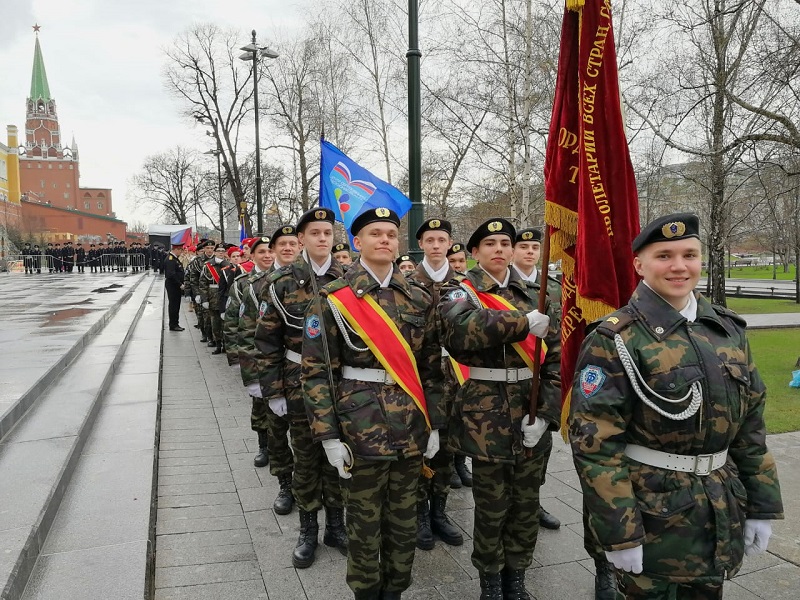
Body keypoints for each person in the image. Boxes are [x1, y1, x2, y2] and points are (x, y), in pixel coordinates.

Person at [569, 213, 784, 599]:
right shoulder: (616, 338)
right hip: (654, 517)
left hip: (719, 511)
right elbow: (596, 445)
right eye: (664, 256)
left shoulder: (726, 330)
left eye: (689, 255)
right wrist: (620, 534)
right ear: (639, 265)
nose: (679, 266)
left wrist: (762, 506)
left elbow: (750, 428)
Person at [302, 207, 443, 600]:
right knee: (363, 526)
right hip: (359, 428)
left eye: (391, 235)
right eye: (375, 234)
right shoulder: (334, 299)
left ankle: (395, 590)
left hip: (411, 427)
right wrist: (329, 436)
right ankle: (365, 592)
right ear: (357, 242)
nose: (385, 240)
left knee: (404, 522)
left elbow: (432, 368)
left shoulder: (419, 297)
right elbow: (317, 373)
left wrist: (436, 423)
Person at [438, 217, 561, 600]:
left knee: (526, 504)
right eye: (490, 244)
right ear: (475, 252)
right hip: (485, 417)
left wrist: (547, 415)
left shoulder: (539, 293)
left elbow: (556, 360)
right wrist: (522, 323)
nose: (499, 249)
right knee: (491, 507)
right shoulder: (460, 290)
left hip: (530, 409)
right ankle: (490, 580)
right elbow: (461, 331)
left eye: (505, 243)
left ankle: (517, 577)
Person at [254, 208, 347, 569]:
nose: (322, 238)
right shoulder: (281, 283)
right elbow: (266, 342)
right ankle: (308, 529)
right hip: (299, 381)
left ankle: (336, 526)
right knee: (306, 457)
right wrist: (274, 391)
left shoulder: (348, 278)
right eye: (315, 233)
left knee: (339, 456)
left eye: (328, 233)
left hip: (341, 383)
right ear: (302, 239)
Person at [406, 218, 464, 552]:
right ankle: (420, 515)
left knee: (447, 448)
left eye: (442, 239)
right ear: (421, 244)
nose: (436, 245)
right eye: (430, 240)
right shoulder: (407, 285)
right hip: (417, 379)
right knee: (419, 446)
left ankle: (439, 511)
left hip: (455, 380)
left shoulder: (463, 285)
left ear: (449, 242)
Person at [239, 227, 299, 513]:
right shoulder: (258, 285)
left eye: (292, 243)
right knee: (277, 432)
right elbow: (249, 333)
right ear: (273, 250)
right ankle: (285, 484)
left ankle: (311, 486)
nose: (288, 248)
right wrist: (252, 378)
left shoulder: (314, 281)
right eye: (282, 244)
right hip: (272, 369)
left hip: (304, 371)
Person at [511, 227, 562, 533]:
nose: (530, 252)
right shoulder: (505, 286)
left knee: (542, 444)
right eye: (524, 247)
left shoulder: (553, 287)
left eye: (534, 247)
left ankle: (535, 500)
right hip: (515, 375)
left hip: (544, 374)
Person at [199, 243, 231, 354]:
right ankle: (217, 344)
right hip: (212, 297)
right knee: (215, 322)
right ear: (215, 252)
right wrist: (204, 299)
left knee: (225, 323)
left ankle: (225, 344)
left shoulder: (229, 265)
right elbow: (202, 284)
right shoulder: (208, 266)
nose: (221, 253)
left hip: (225, 297)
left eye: (223, 251)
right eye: (218, 251)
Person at [164, 243, 186, 331]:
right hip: (173, 285)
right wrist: (180, 284)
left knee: (176, 305)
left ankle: (175, 323)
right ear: (176, 249)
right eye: (181, 250)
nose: (181, 252)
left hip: (175, 285)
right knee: (174, 305)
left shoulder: (174, 259)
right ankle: (173, 325)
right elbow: (171, 274)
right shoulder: (171, 259)